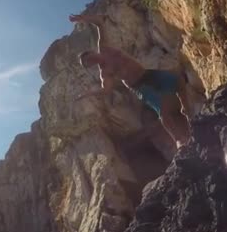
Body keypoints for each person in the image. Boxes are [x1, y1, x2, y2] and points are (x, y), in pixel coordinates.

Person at [69, 13, 193, 148]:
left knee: (178, 81)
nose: (92, 61)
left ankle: (186, 111)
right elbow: (106, 90)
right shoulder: (105, 72)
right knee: (163, 110)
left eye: (89, 58)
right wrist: (89, 94)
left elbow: (99, 23)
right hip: (139, 86)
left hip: (147, 74)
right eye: (89, 64)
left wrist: (82, 19)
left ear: (92, 52)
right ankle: (178, 140)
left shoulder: (104, 47)